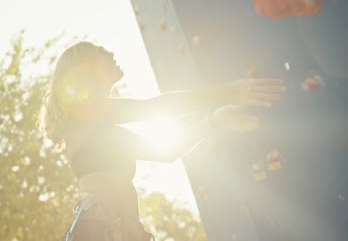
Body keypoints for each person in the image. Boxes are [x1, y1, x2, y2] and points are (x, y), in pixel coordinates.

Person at [38, 41, 286, 240]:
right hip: (99, 228)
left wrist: (214, 121)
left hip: (121, 229)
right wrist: (228, 92)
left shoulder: (103, 133)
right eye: (101, 51)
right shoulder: (83, 112)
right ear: (87, 67)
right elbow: (157, 107)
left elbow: (165, 153)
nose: (111, 52)